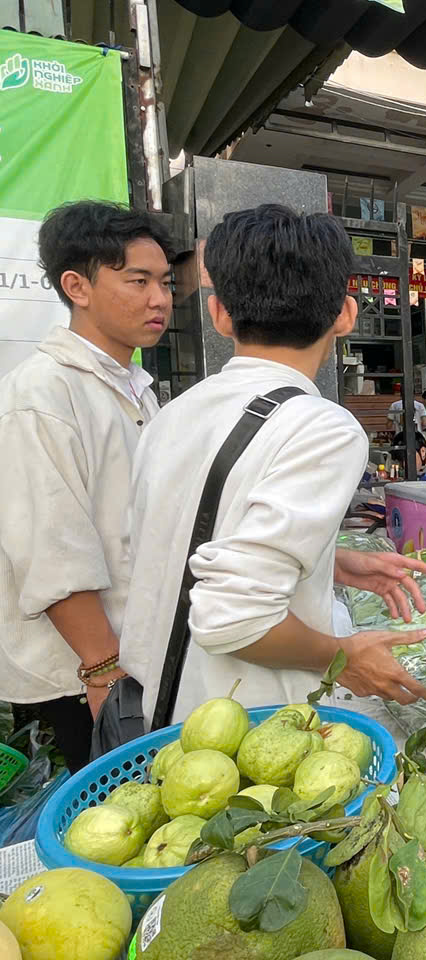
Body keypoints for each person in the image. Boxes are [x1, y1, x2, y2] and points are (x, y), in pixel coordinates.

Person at [119, 204, 426, 726]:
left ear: (219, 312)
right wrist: (344, 656)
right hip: (251, 733)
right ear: (346, 314)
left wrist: (327, 562)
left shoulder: (172, 414)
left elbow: (186, 540)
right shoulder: (322, 427)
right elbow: (233, 620)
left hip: (169, 719)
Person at [0, 202, 173, 769]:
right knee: (115, 817)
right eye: (138, 281)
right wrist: (101, 669)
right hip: (87, 672)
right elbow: (51, 548)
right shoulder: (41, 394)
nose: (159, 299)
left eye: (165, 282)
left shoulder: (135, 387)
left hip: (137, 650)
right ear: (77, 285)